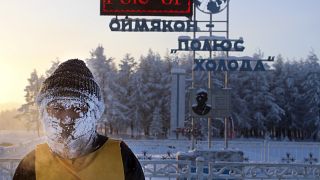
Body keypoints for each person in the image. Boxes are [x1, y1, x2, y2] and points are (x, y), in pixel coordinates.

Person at [13, 59, 145, 180]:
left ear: (94, 114)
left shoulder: (120, 157)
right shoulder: (32, 163)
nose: (66, 119)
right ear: (43, 113)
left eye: (77, 108)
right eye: (57, 108)